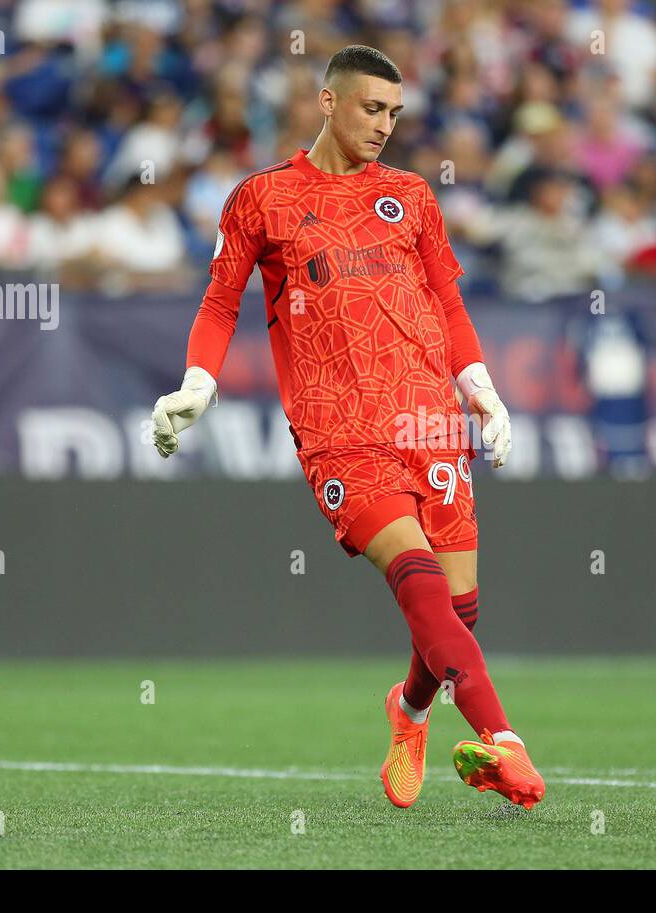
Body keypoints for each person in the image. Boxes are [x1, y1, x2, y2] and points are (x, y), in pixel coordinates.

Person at [149, 45, 545, 810]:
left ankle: (411, 709)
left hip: (430, 415)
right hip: (338, 428)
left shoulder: (412, 197)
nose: (385, 126)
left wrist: (481, 387)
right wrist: (199, 381)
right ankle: (506, 743)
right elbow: (221, 300)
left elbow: (448, 301)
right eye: (372, 109)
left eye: (395, 113)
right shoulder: (261, 198)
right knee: (419, 587)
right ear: (327, 103)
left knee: (459, 610)